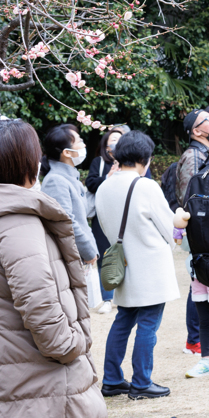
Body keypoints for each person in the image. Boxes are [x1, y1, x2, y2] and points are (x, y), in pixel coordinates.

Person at [0, 119, 108, 418]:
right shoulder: (18, 222)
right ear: (23, 160)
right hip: (42, 384)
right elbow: (39, 303)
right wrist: (71, 344)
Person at [95, 130, 180, 400]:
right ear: (145, 158)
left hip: (123, 265)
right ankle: (142, 382)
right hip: (151, 266)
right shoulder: (145, 186)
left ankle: (111, 379)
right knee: (148, 325)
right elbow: (170, 230)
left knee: (123, 321)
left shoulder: (104, 186)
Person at [173, 108, 209, 377]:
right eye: (206, 119)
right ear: (197, 130)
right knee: (205, 303)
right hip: (203, 242)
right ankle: (206, 356)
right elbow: (191, 200)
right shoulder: (193, 157)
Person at [40, 124, 99, 269]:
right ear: (67, 152)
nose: (84, 144)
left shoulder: (70, 177)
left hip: (81, 258)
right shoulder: (55, 180)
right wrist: (89, 252)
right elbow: (67, 222)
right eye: (79, 141)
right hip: (73, 259)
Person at [85, 128, 125, 314]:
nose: (115, 143)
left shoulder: (130, 163)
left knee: (126, 255)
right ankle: (108, 298)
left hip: (123, 215)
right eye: (112, 139)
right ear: (105, 145)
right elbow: (91, 183)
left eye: (119, 139)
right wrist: (108, 177)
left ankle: (124, 296)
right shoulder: (99, 162)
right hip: (101, 215)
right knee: (104, 255)